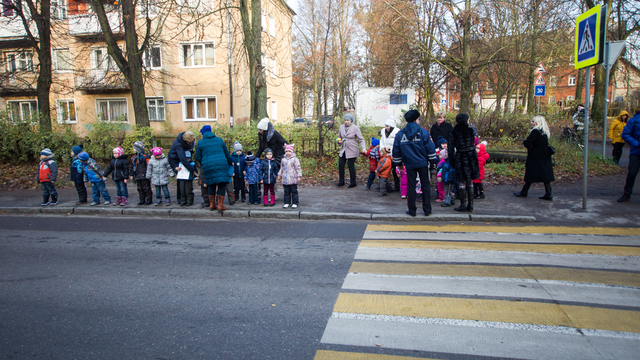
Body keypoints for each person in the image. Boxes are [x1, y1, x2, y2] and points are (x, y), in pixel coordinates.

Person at [392, 109, 438, 216]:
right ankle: (427, 210)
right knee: (425, 186)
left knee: (411, 187)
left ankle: (412, 210)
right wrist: (432, 162)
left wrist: (399, 165)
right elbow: (430, 149)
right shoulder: (424, 133)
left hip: (409, 164)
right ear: (416, 120)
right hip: (422, 163)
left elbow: (396, 151)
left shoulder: (400, 134)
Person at [514, 115, 555, 201]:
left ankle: (524, 191)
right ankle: (548, 193)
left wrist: (526, 142)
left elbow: (527, 143)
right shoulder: (544, 132)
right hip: (545, 156)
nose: (531, 122)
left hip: (535, 156)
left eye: (533, 121)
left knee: (530, 174)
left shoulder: (535, 132)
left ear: (537, 123)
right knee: (545, 175)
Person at [195, 126, 232, 212]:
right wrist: (230, 163)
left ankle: (212, 205)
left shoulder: (201, 143)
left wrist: (204, 163)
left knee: (211, 184)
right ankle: (220, 205)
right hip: (221, 164)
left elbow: (197, 156)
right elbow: (226, 153)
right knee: (221, 184)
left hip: (208, 166)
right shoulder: (219, 140)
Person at [450, 113, 480, 212]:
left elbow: (451, 149)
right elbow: (475, 142)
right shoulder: (471, 131)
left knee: (462, 180)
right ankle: (470, 205)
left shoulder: (454, 132)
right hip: (471, 156)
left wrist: (452, 161)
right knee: (470, 180)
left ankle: (463, 204)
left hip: (461, 156)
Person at [337, 114, 366, 188]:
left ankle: (353, 182)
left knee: (351, 166)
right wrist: (338, 141)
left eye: (348, 120)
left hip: (352, 149)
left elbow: (361, 139)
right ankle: (341, 181)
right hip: (343, 149)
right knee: (341, 164)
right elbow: (339, 137)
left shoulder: (355, 128)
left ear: (351, 121)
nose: (346, 122)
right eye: (345, 120)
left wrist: (363, 148)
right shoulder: (341, 127)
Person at [618, 108, 640, 202]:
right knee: (632, 173)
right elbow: (625, 134)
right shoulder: (634, 120)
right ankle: (627, 193)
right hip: (636, 152)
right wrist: (637, 144)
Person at [169, 130, 198, 202]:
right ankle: (181, 199)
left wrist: (194, 170)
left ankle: (188, 198)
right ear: (186, 141)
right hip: (175, 160)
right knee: (181, 179)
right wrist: (192, 171)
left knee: (188, 180)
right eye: (190, 143)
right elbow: (183, 159)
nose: (191, 144)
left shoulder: (191, 140)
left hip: (185, 158)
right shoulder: (178, 144)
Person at [277, 144, 302, 208]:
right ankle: (287, 202)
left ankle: (295, 202)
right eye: (286, 151)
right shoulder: (283, 160)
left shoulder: (295, 159)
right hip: (285, 179)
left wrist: (299, 176)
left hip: (293, 178)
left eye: (289, 151)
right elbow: (281, 168)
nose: (288, 153)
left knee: (294, 191)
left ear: (292, 152)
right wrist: (279, 175)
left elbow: (298, 168)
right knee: (286, 192)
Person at [129, 141, 152, 206]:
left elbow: (149, 166)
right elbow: (131, 167)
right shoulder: (133, 157)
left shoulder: (145, 157)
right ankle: (142, 199)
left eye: (134, 148)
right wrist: (131, 174)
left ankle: (148, 199)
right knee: (139, 188)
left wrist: (149, 174)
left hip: (144, 175)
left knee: (146, 188)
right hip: (137, 175)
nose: (133, 150)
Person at [381, 115, 400, 191]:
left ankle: (397, 185)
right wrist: (382, 149)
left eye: (388, 126)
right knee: (384, 170)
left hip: (394, 154)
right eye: (386, 126)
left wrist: (393, 153)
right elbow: (382, 141)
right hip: (385, 154)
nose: (386, 127)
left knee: (395, 171)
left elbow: (397, 144)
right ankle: (386, 186)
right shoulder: (383, 131)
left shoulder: (397, 132)